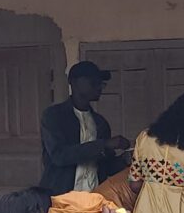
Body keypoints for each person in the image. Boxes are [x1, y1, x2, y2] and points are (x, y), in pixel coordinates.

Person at [40, 61, 130, 195]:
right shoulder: (54, 116)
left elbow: (105, 167)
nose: (99, 87)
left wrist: (124, 160)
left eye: (101, 84)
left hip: (93, 196)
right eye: (93, 82)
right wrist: (103, 145)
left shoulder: (100, 123)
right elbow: (59, 156)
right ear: (73, 83)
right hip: (60, 197)